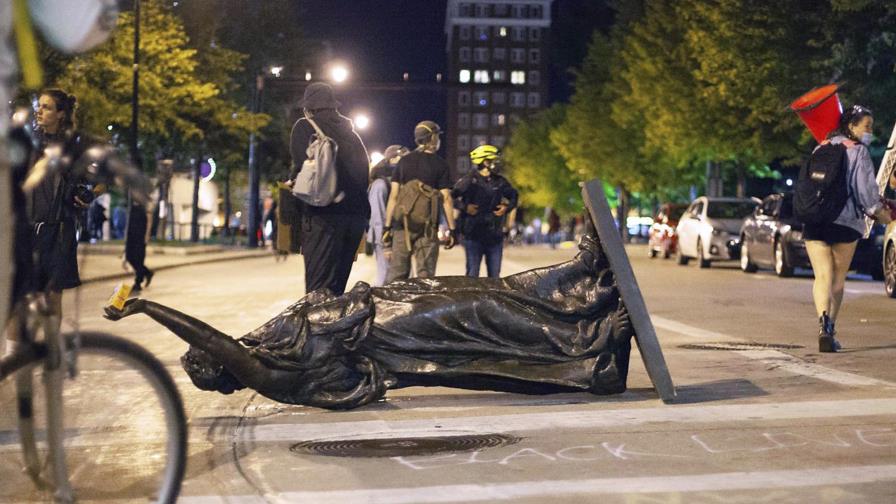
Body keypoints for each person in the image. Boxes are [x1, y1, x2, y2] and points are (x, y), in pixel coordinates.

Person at [104, 220, 634, 410]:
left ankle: (580, 278)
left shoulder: (269, 343)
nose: (217, 344)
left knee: (486, 288)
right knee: (483, 316)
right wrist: (146, 306)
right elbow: (212, 336)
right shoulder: (264, 373)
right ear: (220, 368)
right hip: (387, 336)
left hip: (385, 305)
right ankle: (592, 350)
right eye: (209, 353)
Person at [2, 0, 117, 355]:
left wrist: (89, 194)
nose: (40, 112)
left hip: (58, 230)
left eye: (47, 107)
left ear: (62, 114)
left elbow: (105, 177)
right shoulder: (28, 142)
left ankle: (49, 355)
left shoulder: (73, 147)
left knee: (52, 297)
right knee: (17, 295)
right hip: (26, 225)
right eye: (38, 106)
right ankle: (13, 359)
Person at [803, 105, 895, 352]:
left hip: (813, 220)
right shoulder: (858, 152)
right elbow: (865, 194)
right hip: (844, 222)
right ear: (852, 126)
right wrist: (880, 213)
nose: (870, 132)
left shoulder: (820, 147)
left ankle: (822, 325)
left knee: (821, 276)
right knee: (837, 279)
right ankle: (830, 328)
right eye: (867, 126)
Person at [287, 82, 370, 295]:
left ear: (309, 107)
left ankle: (319, 329)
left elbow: (301, 170)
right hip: (355, 218)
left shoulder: (305, 126)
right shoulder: (352, 134)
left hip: (323, 216)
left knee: (318, 293)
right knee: (337, 291)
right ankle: (336, 328)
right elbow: (364, 174)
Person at [382, 121, 457, 282]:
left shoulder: (403, 162)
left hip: (403, 225)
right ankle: (421, 307)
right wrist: (452, 229)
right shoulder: (441, 164)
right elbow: (447, 199)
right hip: (428, 228)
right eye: (437, 136)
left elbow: (394, 196)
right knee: (425, 277)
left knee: (397, 275)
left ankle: (392, 306)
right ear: (432, 138)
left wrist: (387, 227)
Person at [452, 144, 518, 278]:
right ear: (485, 161)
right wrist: (465, 207)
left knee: (494, 276)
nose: (496, 164)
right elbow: (450, 198)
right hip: (473, 236)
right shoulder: (469, 180)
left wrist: (507, 207)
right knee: (472, 274)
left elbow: (514, 195)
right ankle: (471, 299)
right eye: (493, 161)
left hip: (494, 236)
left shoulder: (499, 181)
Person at [367, 144, 408, 286]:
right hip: (384, 239)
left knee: (396, 279)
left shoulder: (396, 182)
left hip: (395, 236)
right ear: (392, 159)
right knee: (385, 278)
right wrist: (386, 245)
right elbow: (377, 217)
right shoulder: (380, 184)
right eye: (403, 159)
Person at [125, 200, 153, 293]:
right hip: (131, 234)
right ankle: (147, 273)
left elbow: (149, 219)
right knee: (129, 256)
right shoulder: (132, 202)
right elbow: (129, 220)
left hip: (141, 234)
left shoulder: (146, 201)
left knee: (139, 258)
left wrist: (147, 235)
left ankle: (138, 282)